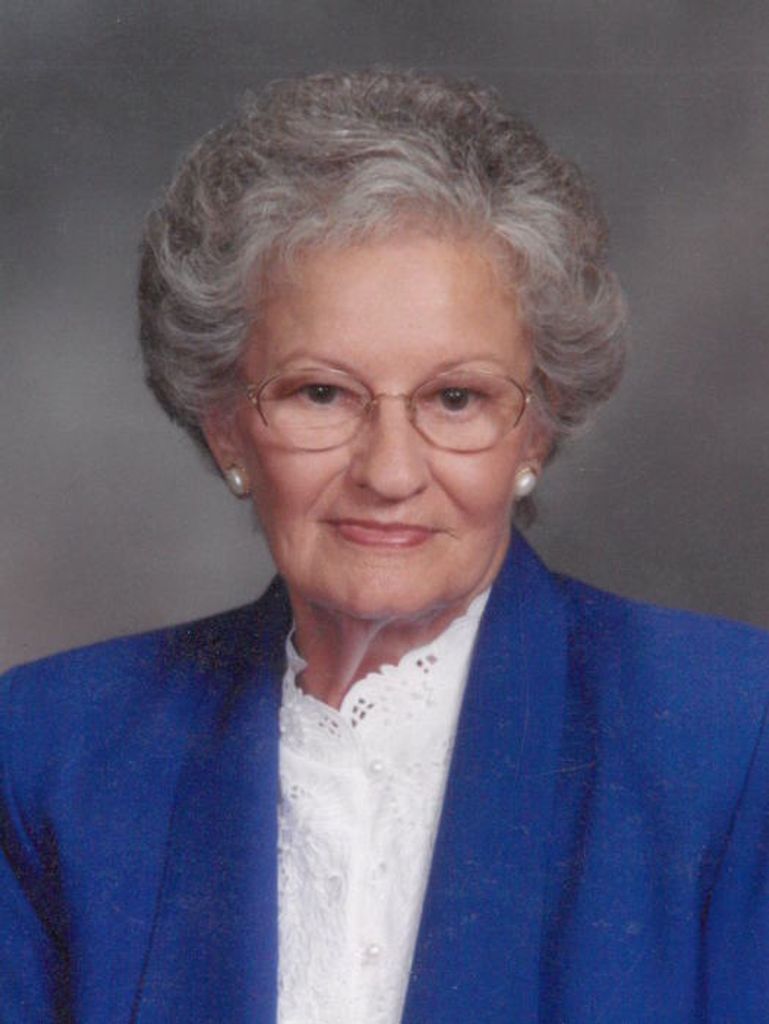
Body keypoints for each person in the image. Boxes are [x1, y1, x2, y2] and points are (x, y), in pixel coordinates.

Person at [1, 69, 767, 1024]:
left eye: (456, 398)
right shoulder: (47, 753)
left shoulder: (732, 730)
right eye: (320, 393)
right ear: (226, 424)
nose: (390, 471)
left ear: (535, 431)